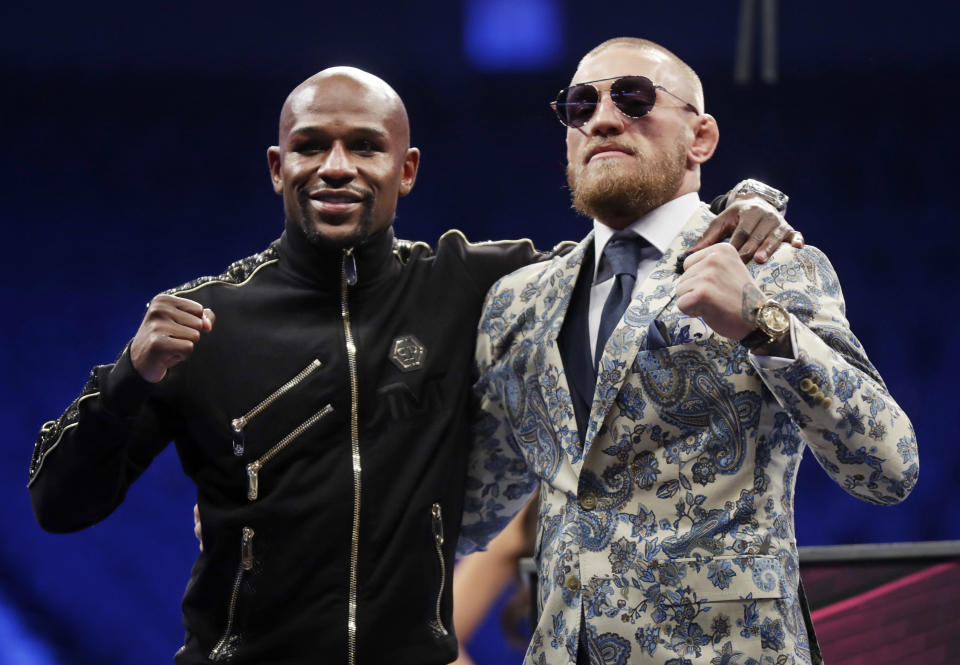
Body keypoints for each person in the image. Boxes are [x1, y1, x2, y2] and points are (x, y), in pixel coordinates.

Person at [29, 66, 795, 665]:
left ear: (407, 168)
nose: (335, 166)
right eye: (310, 146)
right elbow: (58, 505)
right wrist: (130, 374)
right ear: (275, 165)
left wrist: (744, 202)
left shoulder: (470, 288)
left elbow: (635, 256)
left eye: (364, 145)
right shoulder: (202, 322)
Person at [459, 37, 919, 665]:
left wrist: (760, 322)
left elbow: (889, 467)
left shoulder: (771, 264)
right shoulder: (519, 303)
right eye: (579, 105)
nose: (601, 117)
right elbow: (468, 506)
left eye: (633, 97)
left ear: (700, 138)